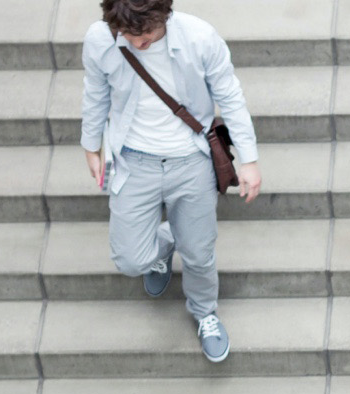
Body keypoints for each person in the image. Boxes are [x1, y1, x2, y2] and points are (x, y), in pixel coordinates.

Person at [81, 0, 263, 363]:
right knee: (131, 260)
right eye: (128, 35)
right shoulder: (101, 39)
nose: (137, 43)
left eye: (145, 35)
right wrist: (90, 145)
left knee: (198, 252)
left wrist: (249, 159)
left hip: (191, 159)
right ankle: (164, 242)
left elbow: (229, 94)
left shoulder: (199, 37)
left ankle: (204, 312)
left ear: (164, 16)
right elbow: (95, 92)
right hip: (132, 160)